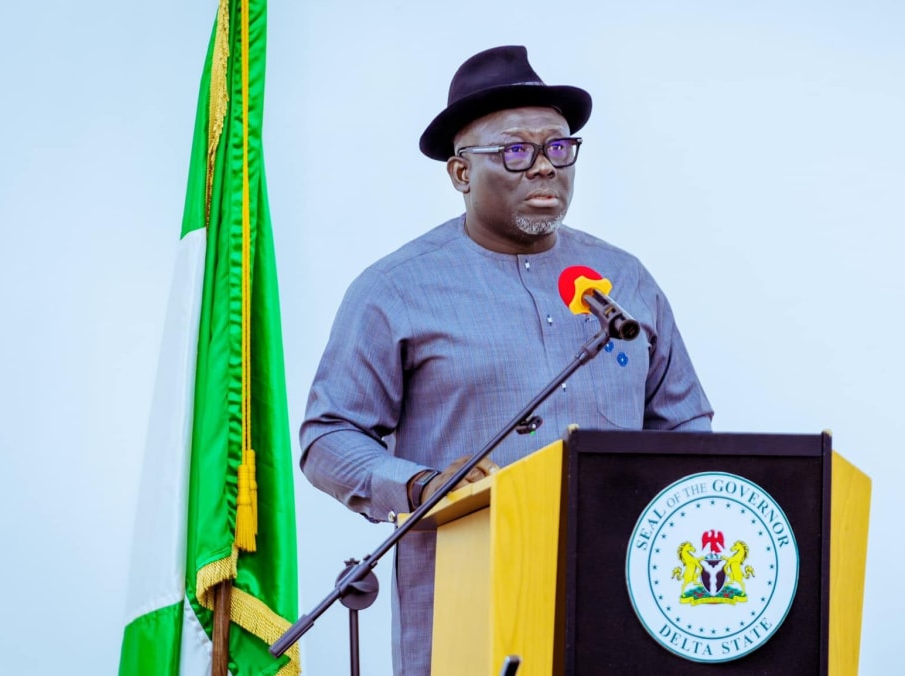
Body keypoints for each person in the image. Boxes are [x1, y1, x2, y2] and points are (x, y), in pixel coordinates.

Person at [299, 45, 713, 675]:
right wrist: (416, 485)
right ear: (461, 173)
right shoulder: (394, 290)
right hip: (466, 610)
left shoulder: (623, 281)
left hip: (623, 606)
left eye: (558, 148)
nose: (544, 167)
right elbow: (327, 437)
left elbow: (685, 429)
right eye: (516, 152)